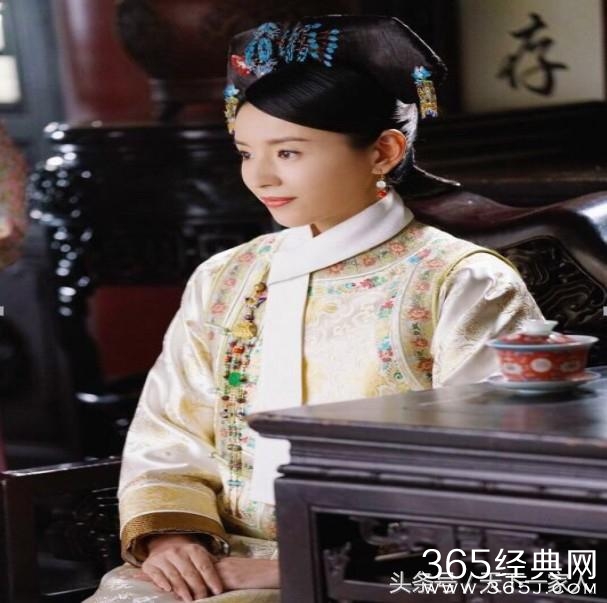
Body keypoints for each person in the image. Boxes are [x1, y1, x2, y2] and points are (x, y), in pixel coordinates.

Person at [86, 15, 542, 603]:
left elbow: (488, 474)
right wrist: (173, 537)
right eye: (246, 152)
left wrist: (301, 565)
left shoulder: (460, 282)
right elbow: (169, 428)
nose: (261, 176)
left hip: (391, 567)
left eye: (289, 151)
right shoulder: (226, 278)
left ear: (383, 151)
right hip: (224, 554)